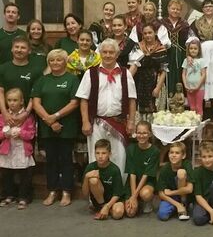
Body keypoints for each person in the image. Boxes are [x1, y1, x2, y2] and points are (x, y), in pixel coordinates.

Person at [76, 38, 137, 180]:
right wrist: (85, 122)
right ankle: (97, 190)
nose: (108, 55)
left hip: (119, 123)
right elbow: (83, 100)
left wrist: (131, 122)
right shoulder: (90, 73)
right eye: (105, 52)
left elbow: (132, 99)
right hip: (96, 124)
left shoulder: (125, 73)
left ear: (117, 54)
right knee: (96, 157)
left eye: (111, 52)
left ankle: (118, 189)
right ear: (100, 53)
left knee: (119, 157)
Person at [32, 49, 80, 207]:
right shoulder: (42, 80)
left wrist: (56, 116)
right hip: (47, 127)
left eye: (59, 60)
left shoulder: (72, 79)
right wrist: (49, 120)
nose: (55, 63)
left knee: (66, 159)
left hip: (67, 127)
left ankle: (67, 191)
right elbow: (36, 103)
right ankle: (52, 191)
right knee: (51, 160)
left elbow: (74, 103)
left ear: (65, 62)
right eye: (52, 60)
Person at [0, 88, 36, 210]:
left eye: (15, 100)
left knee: (24, 175)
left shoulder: (28, 117)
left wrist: (21, 133)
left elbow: (31, 134)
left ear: (21, 101)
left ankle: (23, 197)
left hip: (22, 150)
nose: (12, 103)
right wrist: (5, 134)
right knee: (6, 174)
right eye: (9, 100)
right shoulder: (3, 116)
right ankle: (8, 195)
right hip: (7, 150)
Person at [190, 0, 213, 121]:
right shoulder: (195, 23)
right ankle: (202, 112)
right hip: (201, 54)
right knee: (202, 78)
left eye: (211, 6)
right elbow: (192, 40)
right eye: (206, 7)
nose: (208, 8)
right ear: (202, 9)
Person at [0, 36, 44, 126]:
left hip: (28, 118)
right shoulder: (3, 69)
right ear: (12, 49)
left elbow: (35, 95)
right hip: (5, 117)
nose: (19, 50)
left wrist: (25, 113)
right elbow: (0, 92)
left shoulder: (36, 71)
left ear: (29, 51)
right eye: (16, 47)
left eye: (23, 48)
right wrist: (5, 113)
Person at [130, 22, 168, 121]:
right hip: (139, 83)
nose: (147, 35)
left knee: (155, 116)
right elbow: (133, 65)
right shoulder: (138, 47)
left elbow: (164, 70)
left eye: (150, 32)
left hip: (156, 83)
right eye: (145, 33)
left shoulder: (161, 48)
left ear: (155, 33)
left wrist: (158, 88)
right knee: (139, 115)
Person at [82, 139, 125, 220]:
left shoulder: (115, 169)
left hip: (113, 200)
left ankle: (106, 209)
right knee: (93, 180)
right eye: (97, 153)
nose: (100, 156)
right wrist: (86, 177)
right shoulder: (90, 167)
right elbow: (85, 194)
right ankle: (101, 207)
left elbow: (117, 194)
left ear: (109, 154)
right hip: (99, 201)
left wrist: (107, 206)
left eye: (104, 153)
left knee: (118, 213)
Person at [124, 121, 160, 217]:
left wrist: (134, 197)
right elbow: (132, 173)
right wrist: (133, 196)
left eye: (144, 133)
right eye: (139, 133)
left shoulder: (155, 151)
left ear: (150, 134)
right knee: (130, 213)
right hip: (132, 183)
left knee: (145, 194)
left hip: (147, 182)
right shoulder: (130, 149)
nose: (141, 136)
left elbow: (146, 175)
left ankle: (147, 201)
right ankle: (137, 202)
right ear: (136, 133)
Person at [157, 141, 194, 221]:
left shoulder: (187, 164)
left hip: (184, 195)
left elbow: (189, 189)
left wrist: (171, 192)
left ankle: (183, 204)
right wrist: (177, 205)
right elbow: (161, 194)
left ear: (183, 156)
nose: (173, 155)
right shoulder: (164, 169)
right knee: (163, 215)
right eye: (171, 152)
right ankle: (178, 207)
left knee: (181, 172)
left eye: (177, 153)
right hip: (171, 198)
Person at [160, 0, 190, 94]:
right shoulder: (162, 23)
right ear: (168, 9)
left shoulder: (184, 24)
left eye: (178, 9)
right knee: (166, 75)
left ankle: (179, 98)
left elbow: (190, 40)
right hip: (166, 53)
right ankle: (166, 98)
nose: (175, 11)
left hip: (181, 55)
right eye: (173, 8)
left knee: (180, 74)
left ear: (180, 11)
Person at [182, 38, 206, 117]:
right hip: (189, 88)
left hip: (199, 88)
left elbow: (203, 74)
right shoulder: (186, 60)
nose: (193, 50)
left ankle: (199, 123)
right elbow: (183, 74)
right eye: (191, 48)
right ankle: (193, 122)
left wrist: (197, 86)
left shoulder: (202, 60)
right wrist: (185, 85)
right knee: (192, 107)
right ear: (188, 50)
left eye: (195, 49)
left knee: (198, 107)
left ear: (199, 50)